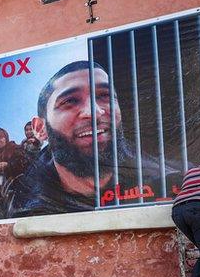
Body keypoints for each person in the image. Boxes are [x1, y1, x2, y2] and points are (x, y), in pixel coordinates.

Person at [9, 61, 174, 217]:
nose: (94, 112)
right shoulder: (18, 202)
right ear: (40, 128)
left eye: (105, 95)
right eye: (70, 101)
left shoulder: (171, 180)